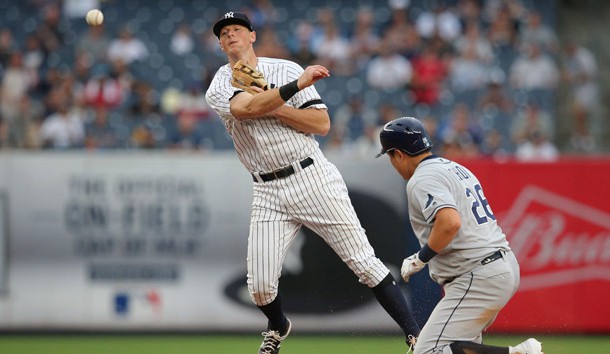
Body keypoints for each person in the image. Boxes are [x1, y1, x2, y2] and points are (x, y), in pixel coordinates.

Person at [205, 12, 420, 354]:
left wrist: (275, 99)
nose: (231, 35)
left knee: (364, 263)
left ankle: (414, 337)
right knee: (259, 286)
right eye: (224, 33)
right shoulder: (220, 83)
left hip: (311, 176)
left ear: (252, 36)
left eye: (237, 30)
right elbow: (244, 110)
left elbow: (320, 124)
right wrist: (292, 90)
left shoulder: (286, 68)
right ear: (219, 43)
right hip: (266, 188)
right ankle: (278, 326)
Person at [376, 116, 543, 354]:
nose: (392, 162)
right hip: (497, 266)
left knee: (428, 352)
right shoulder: (455, 167)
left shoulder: (422, 179)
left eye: (390, 156)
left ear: (399, 154)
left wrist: (419, 259)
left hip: (477, 274)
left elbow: (449, 223)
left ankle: (520, 353)